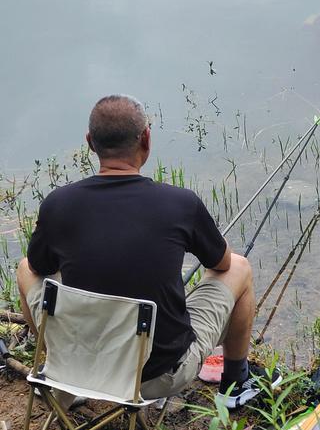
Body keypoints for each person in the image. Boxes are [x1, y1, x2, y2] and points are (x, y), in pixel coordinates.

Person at [16, 94, 280, 408]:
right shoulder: (181, 203)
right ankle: (236, 384)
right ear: (146, 139)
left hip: (81, 368)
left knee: (25, 268)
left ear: (90, 143)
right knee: (239, 267)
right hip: (158, 376)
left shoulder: (58, 204)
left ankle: (60, 369)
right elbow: (222, 264)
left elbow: (38, 267)